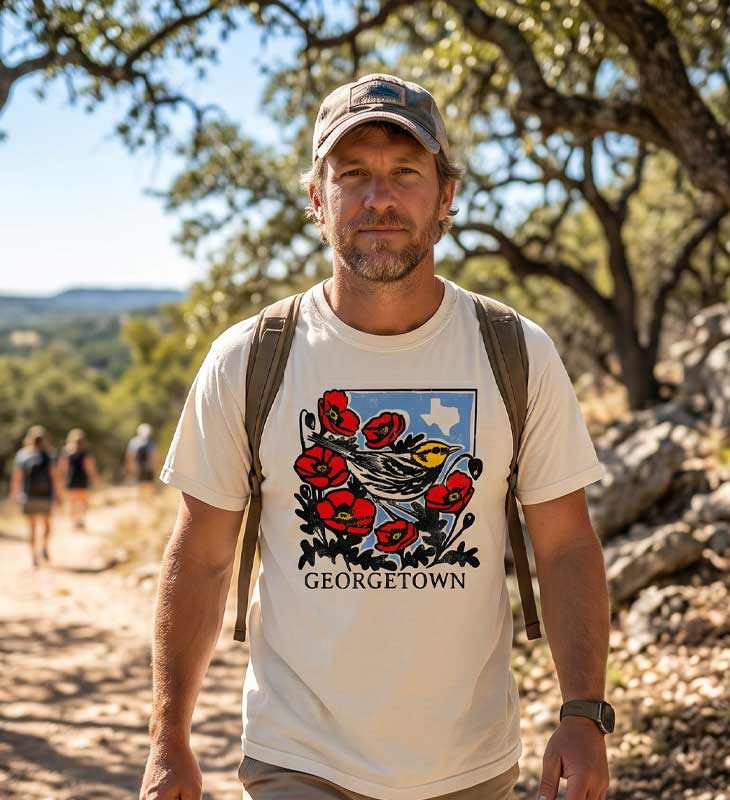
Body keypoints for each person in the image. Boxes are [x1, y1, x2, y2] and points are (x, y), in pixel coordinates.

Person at [141, 74, 612, 800]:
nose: (377, 199)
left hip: (470, 764)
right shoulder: (249, 359)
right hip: (298, 757)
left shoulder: (516, 353)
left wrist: (583, 712)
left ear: (446, 196)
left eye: (405, 173)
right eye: (351, 174)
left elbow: (566, 544)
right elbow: (200, 557)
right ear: (316, 199)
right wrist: (168, 738)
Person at [9, 425, 61, 567]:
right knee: (47, 524)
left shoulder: (23, 455)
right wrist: (58, 495)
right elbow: (55, 477)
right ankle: (44, 546)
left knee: (31, 528)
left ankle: (33, 555)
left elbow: (17, 477)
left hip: (29, 496)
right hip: (45, 496)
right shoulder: (49, 454)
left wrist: (14, 495)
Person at [59, 428, 97, 531]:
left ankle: (75, 521)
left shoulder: (67, 451)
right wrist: (94, 479)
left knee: (73, 502)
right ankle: (80, 520)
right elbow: (90, 467)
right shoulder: (85, 452)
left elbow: (62, 467)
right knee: (83, 502)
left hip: (71, 479)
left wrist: (61, 480)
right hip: (82, 479)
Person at [127, 423, 158, 501]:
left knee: (139, 484)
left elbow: (131, 455)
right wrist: (155, 466)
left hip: (139, 466)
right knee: (150, 485)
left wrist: (130, 466)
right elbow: (154, 455)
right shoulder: (151, 442)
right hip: (149, 467)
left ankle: (140, 501)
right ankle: (149, 501)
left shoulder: (134, 442)